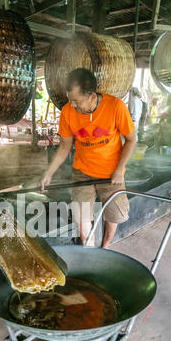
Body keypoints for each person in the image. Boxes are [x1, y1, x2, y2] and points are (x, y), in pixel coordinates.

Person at [40, 68, 136, 249]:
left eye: (77, 101)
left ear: (92, 96)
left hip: (111, 174)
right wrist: (48, 173)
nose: (73, 105)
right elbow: (65, 146)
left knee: (114, 216)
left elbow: (131, 140)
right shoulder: (68, 112)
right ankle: (91, 254)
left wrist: (119, 170)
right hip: (82, 173)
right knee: (82, 223)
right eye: (70, 100)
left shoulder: (115, 107)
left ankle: (105, 248)